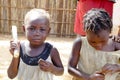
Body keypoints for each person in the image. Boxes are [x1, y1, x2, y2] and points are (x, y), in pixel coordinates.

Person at [7, 8, 64, 80]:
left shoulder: (51, 50)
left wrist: (52, 68)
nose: (37, 33)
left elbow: (61, 71)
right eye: (32, 28)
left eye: (42, 29)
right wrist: (15, 57)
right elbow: (11, 75)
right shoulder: (20, 48)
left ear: (48, 31)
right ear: (24, 29)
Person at [68, 8, 120, 80]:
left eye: (103, 41)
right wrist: (88, 77)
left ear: (110, 32)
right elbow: (70, 68)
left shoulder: (116, 45)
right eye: (92, 42)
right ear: (85, 32)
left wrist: (118, 67)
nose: (98, 45)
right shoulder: (80, 43)